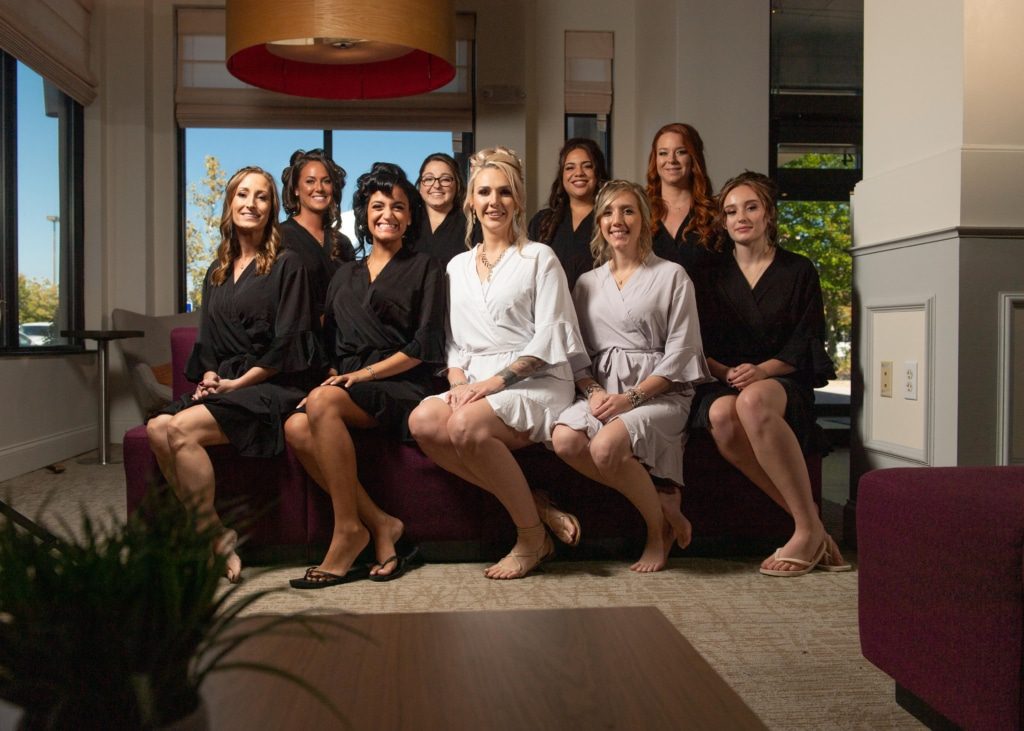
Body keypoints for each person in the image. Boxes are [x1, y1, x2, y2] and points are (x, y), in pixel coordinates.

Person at [408, 147, 587, 580]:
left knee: (465, 425)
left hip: (536, 378)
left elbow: (550, 338)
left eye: (504, 192)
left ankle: (530, 537)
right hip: (473, 380)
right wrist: (456, 380)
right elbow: (454, 343)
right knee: (424, 421)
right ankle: (538, 506)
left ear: (518, 201)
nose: (494, 202)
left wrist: (489, 385)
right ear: (470, 200)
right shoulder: (456, 266)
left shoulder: (539, 258)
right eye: (484, 192)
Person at [146, 166, 321, 583]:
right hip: (226, 383)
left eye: (261, 197)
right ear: (230, 205)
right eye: (243, 195)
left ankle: (215, 537)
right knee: (156, 428)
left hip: (272, 386)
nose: (251, 203)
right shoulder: (216, 270)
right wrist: (210, 375)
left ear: (272, 207)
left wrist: (237, 383)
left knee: (179, 431)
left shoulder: (288, 264)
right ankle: (213, 531)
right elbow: (208, 343)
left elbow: (290, 342)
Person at [284, 163, 445, 588]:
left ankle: (346, 533)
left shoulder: (426, 267)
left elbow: (424, 346)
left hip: (402, 385)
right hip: (351, 386)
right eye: (377, 205)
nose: (387, 213)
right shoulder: (344, 274)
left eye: (398, 206)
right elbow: (332, 343)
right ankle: (380, 523)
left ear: (411, 216)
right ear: (364, 214)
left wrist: (363, 376)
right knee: (297, 427)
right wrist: (338, 376)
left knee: (320, 403)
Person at [691, 171, 850, 576]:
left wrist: (760, 371)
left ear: (769, 214)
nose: (740, 217)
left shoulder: (799, 270)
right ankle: (812, 527)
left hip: (780, 380)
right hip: (724, 378)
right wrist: (728, 372)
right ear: (723, 222)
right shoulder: (708, 275)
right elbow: (695, 343)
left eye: (751, 207)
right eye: (731, 211)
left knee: (753, 400)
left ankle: (802, 529)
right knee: (722, 416)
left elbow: (806, 340)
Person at [551, 180, 710, 572]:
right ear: (599, 223)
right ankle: (665, 508)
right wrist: (591, 393)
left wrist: (631, 399)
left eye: (627, 211)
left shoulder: (672, 276)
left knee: (605, 448)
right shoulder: (587, 283)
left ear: (645, 220)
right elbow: (577, 356)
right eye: (607, 212)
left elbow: (683, 354)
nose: (616, 220)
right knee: (565, 439)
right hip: (604, 392)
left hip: (659, 394)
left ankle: (657, 531)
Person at [280, 148, 355, 321]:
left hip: (338, 341)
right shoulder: (279, 236)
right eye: (310, 181)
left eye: (326, 181)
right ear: (296, 189)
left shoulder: (343, 243)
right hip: (295, 338)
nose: (319, 188)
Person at [527, 138, 609, 290]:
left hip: (599, 311)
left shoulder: (611, 221)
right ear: (562, 176)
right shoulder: (541, 221)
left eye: (587, 166)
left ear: (598, 172)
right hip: (550, 310)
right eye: (570, 168)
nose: (579, 173)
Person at [645, 123, 719, 278]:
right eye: (663, 153)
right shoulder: (640, 212)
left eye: (681, 152)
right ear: (655, 160)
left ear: (694, 158)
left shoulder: (714, 213)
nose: (671, 160)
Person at [414, 152, 468, 266]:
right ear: (420, 186)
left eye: (445, 179)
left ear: (457, 184)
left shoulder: (471, 224)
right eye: (428, 179)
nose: (437, 185)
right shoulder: (408, 221)